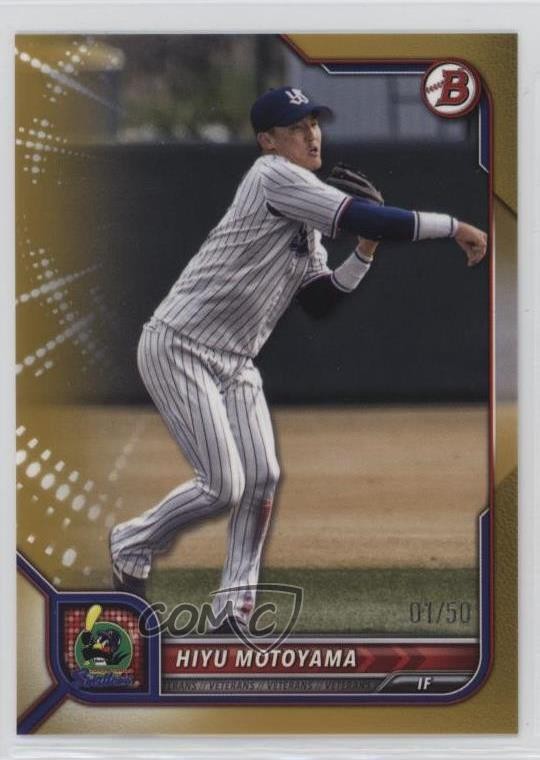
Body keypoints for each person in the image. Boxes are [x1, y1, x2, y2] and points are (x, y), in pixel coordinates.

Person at [109, 86, 487, 634]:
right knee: (223, 485)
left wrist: (365, 250)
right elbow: (373, 216)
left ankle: (234, 608)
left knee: (262, 476)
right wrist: (454, 226)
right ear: (268, 142)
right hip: (179, 345)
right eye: (296, 128)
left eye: (314, 123)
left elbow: (319, 300)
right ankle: (131, 542)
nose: (312, 135)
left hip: (235, 360)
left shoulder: (306, 216)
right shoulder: (273, 177)